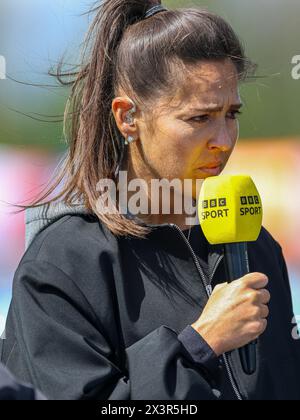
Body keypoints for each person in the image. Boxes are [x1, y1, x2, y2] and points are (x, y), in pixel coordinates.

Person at [1, 1, 300, 400]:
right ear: (128, 117)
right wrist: (199, 344)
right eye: (199, 119)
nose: (224, 141)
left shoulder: (256, 245)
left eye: (231, 114)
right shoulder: (64, 259)